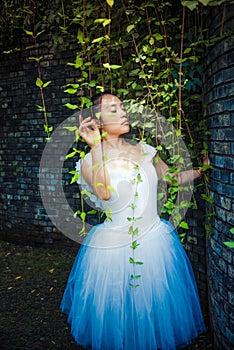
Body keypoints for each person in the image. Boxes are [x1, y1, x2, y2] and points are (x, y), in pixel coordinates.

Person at [60, 92, 208, 350]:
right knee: (120, 307)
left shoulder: (145, 150)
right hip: (114, 246)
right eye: (113, 109)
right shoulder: (88, 161)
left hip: (154, 238)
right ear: (99, 122)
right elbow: (104, 192)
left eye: (122, 107)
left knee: (153, 303)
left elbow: (172, 179)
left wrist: (201, 171)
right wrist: (96, 148)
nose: (123, 112)